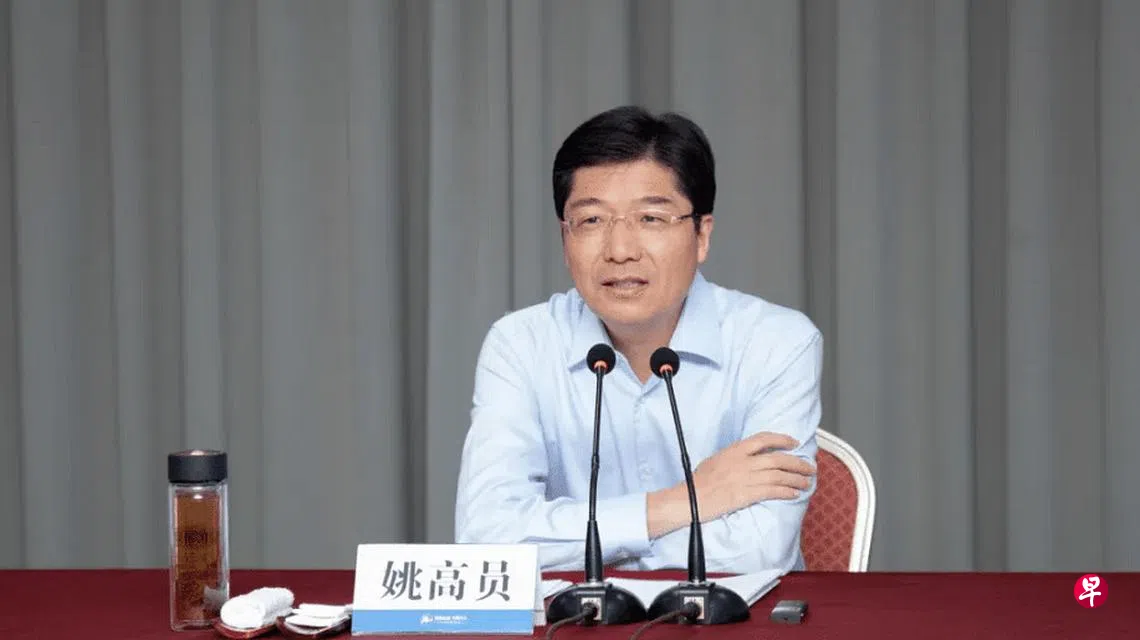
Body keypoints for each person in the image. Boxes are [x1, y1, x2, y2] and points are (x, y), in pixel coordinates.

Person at [453, 105, 821, 575]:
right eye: (592, 221)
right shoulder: (520, 345)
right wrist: (689, 500)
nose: (620, 251)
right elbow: (486, 540)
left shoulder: (777, 343)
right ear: (565, 239)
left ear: (701, 235)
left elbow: (759, 550)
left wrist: (580, 549)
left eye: (650, 218)